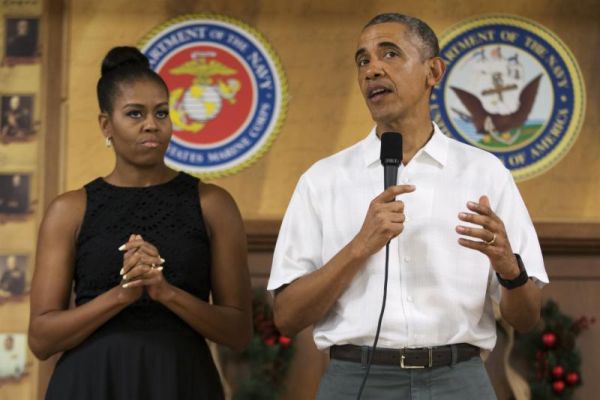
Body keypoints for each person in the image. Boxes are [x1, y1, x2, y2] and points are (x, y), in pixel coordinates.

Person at [267, 13, 548, 399]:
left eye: (390, 54)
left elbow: (528, 316)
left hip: (458, 381)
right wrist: (358, 248)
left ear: (433, 71)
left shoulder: (485, 174)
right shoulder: (323, 180)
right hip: (357, 380)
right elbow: (286, 317)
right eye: (363, 61)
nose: (372, 70)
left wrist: (509, 269)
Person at [28, 46, 252, 400]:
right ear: (106, 125)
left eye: (161, 112)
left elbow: (239, 332)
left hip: (181, 382)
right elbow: (41, 339)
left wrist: (166, 293)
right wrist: (121, 295)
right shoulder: (70, 210)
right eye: (135, 113)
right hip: (90, 385)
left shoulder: (213, 204)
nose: (152, 124)